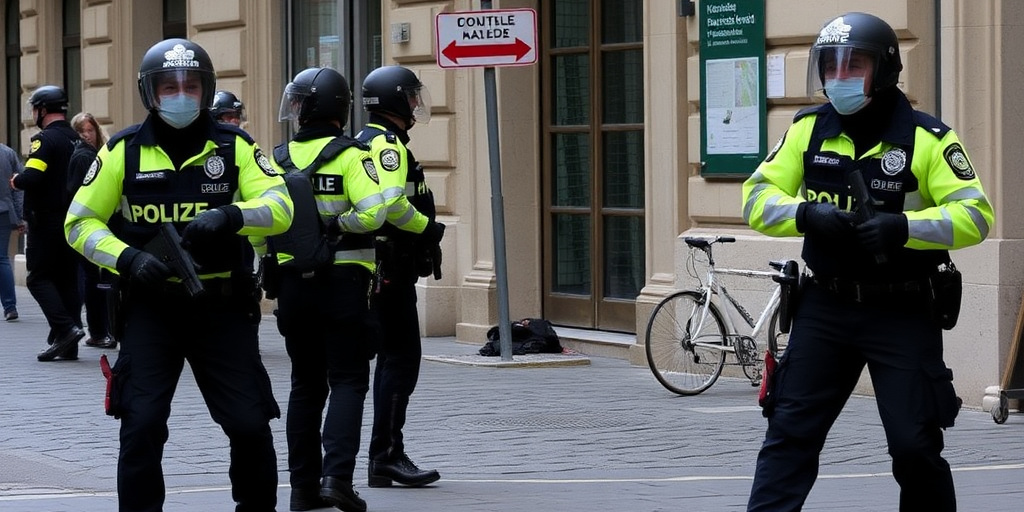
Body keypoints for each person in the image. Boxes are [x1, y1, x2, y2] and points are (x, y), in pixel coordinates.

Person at [741, 12, 994, 512]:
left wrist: (904, 228)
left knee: (914, 446)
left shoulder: (928, 138)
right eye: (829, 65)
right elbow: (756, 199)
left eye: (853, 64)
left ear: (885, 70)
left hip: (902, 311)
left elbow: (975, 215)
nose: (839, 76)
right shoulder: (807, 131)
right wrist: (806, 214)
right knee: (789, 434)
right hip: (825, 306)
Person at [63, 38, 293, 512]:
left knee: (250, 423)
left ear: (207, 90)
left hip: (222, 307)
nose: (181, 94)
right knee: (141, 423)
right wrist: (128, 259)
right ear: (151, 92)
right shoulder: (122, 151)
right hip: (152, 308)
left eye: (191, 85)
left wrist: (231, 215)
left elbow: (281, 206)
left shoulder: (235, 147)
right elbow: (79, 224)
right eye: (170, 87)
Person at [265, 66, 385, 512]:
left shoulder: (276, 159)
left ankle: (302, 489)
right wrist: (337, 223)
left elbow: (260, 226)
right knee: (348, 380)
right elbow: (373, 214)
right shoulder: (353, 156)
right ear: (340, 108)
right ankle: (337, 479)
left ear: (305, 108)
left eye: (296, 103)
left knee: (305, 384)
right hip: (344, 283)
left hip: (293, 286)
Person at [357, 65, 444, 489]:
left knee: (392, 359)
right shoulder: (386, 145)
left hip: (385, 270)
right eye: (410, 96)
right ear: (393, 100)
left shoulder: (369, 140)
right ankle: (386, 455)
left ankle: (384, 455)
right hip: (390, 270)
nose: (415, 103)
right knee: (401, 359)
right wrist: (429, 229)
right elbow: (392, 206)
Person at [11, 85, 84, 361]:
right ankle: (69, 344)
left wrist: (16, 180)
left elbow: (33, 175)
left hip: (45, 221)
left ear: (42, 110)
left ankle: (65, 330)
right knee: (67, 280)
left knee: (38, 278)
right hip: (73, 220)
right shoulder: (76, 139)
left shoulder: (44, 140)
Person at [68, 112, 116, 349]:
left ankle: (101, 330)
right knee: (96, 280)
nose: (87, 135)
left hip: (96, 224)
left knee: (96, 279)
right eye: (82, 131)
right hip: (93, 225)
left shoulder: (95, 154)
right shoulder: (85, 157)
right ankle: (100, 330)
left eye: (90, 130)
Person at [0, 142, 24, 321]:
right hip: (4, 212)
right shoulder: (7, 153)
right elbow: (19, 186)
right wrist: (20, 216)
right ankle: (10, 307)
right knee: (2, 258)